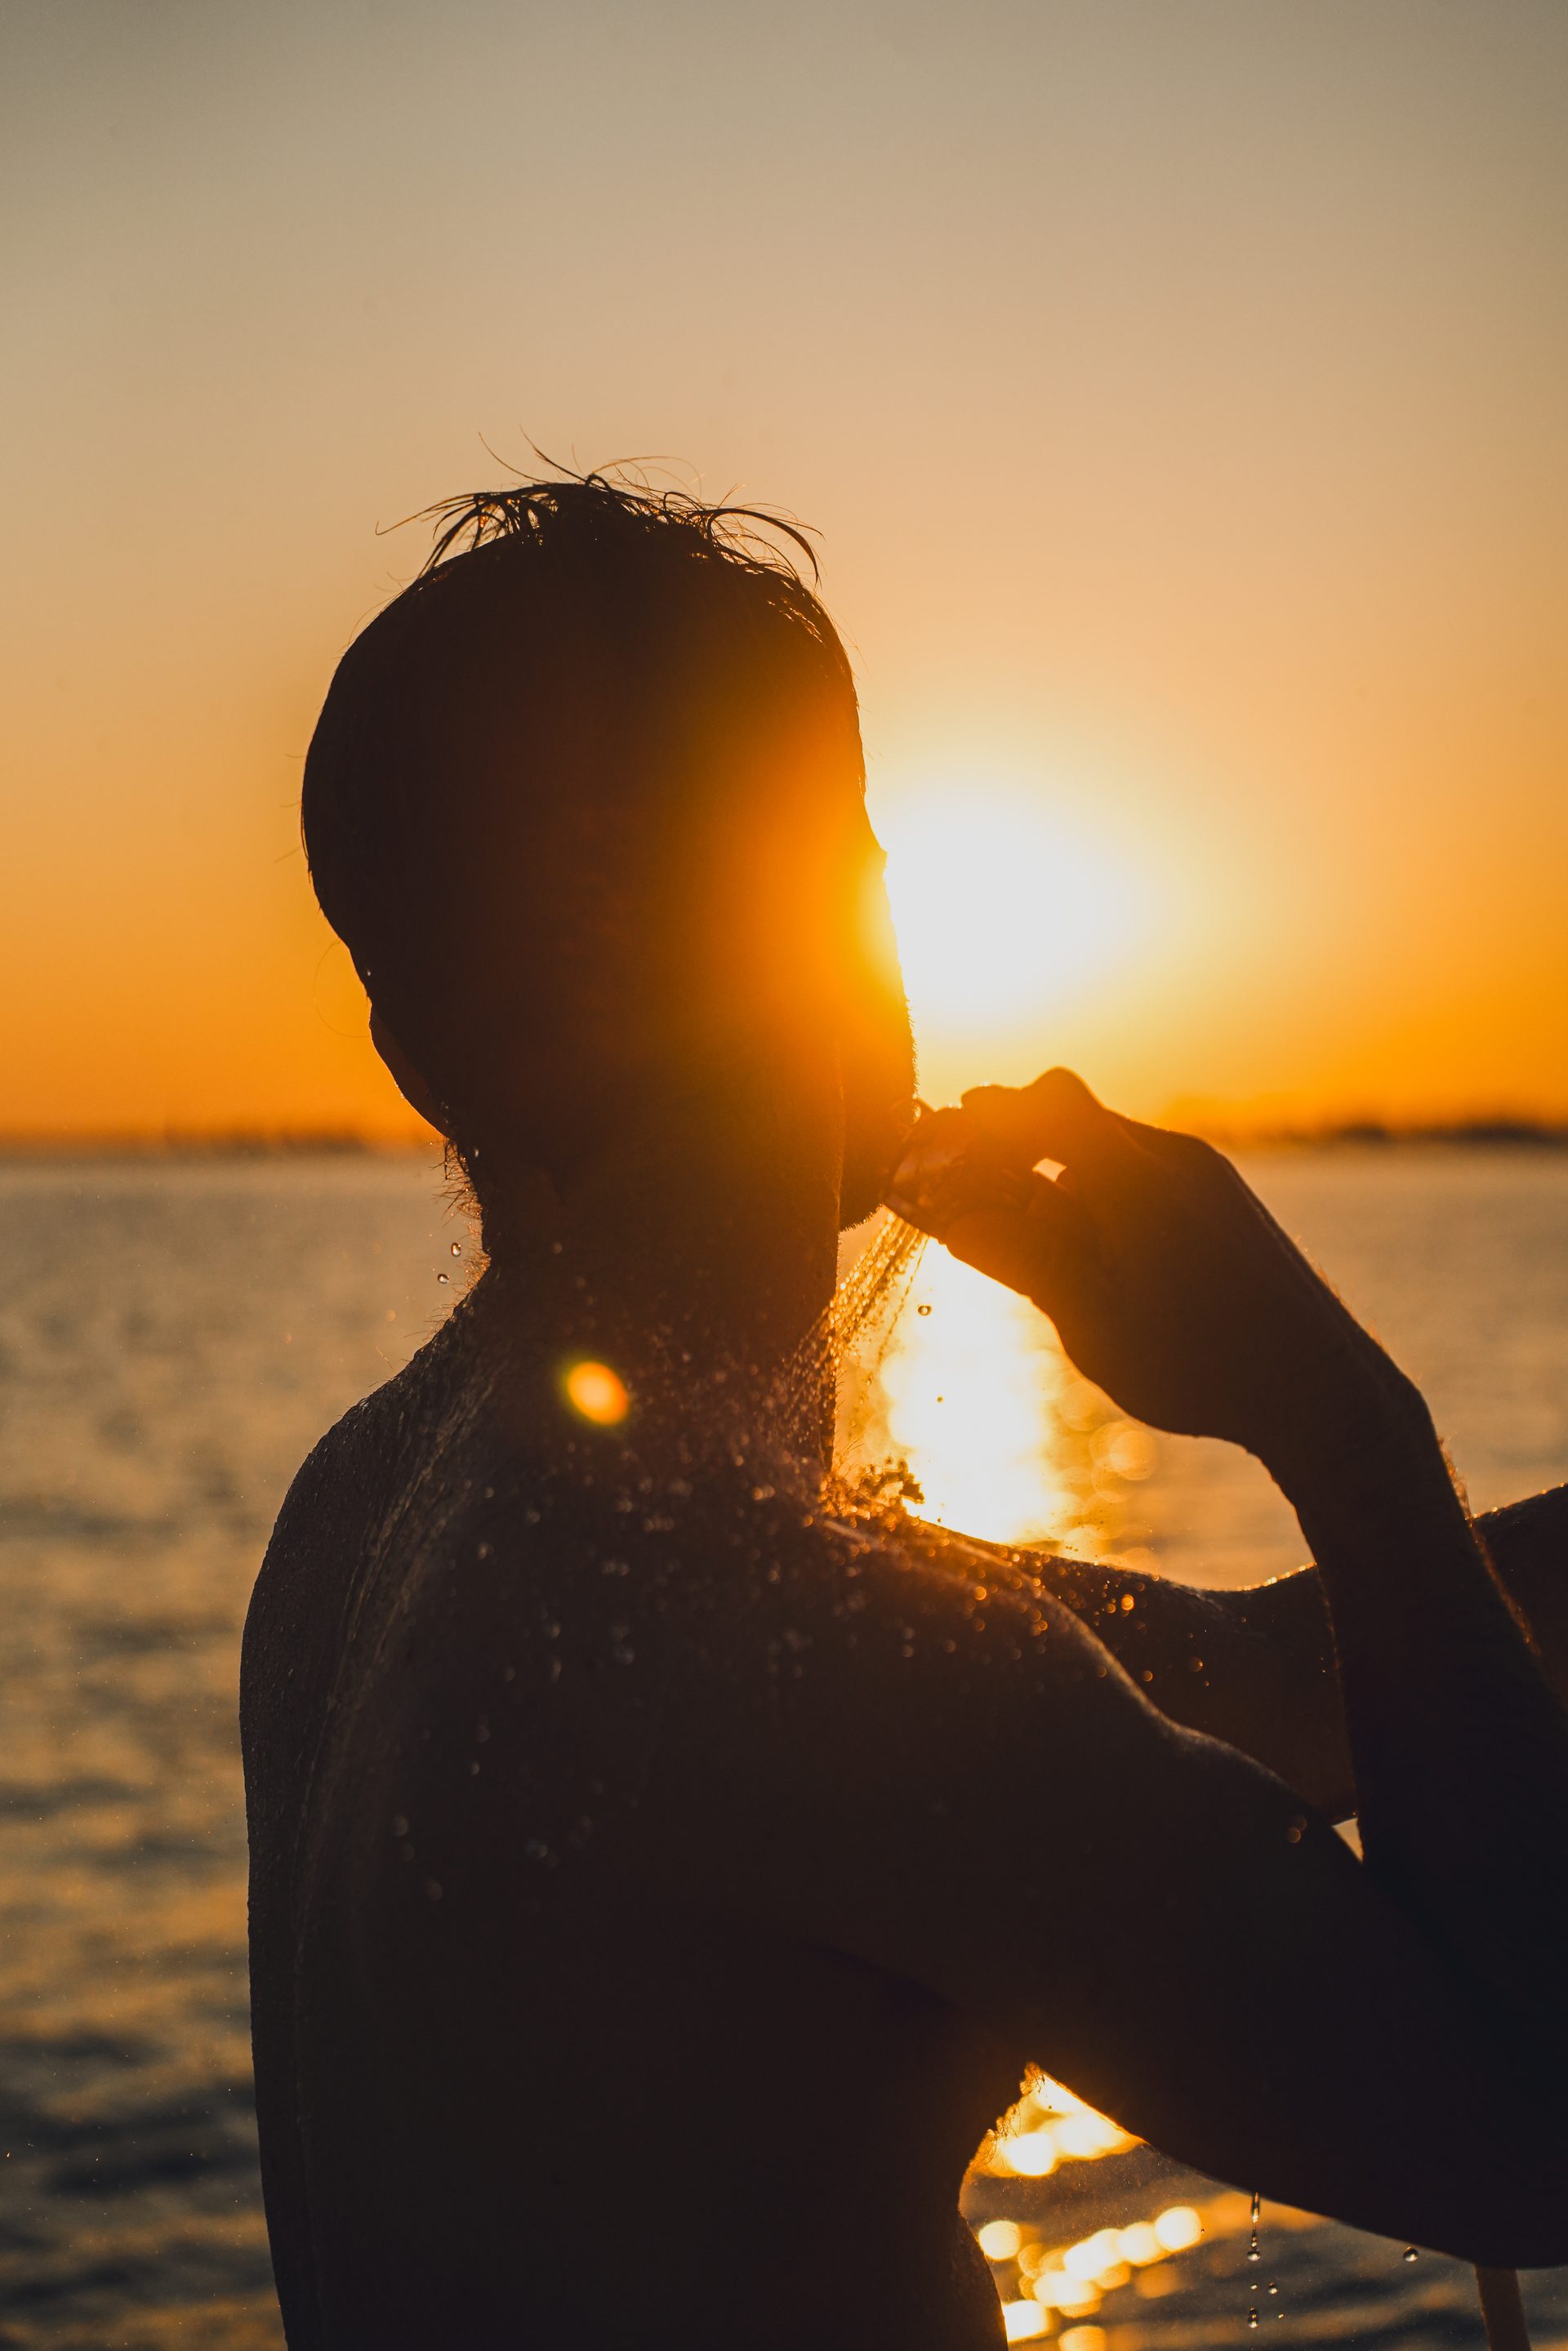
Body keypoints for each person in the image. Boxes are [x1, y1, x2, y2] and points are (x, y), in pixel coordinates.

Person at [242, 475, 1568, 2351]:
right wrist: (1337, 1418)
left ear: (414, 1038)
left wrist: (1395, 1526)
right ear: (829, 910)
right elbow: (1530, 2139)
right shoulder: (791, 1652)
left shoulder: (366, 1520)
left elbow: (1272, 1685)